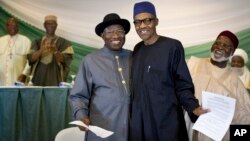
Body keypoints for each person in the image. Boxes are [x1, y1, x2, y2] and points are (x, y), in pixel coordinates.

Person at [129, 2, 207, 141]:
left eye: (147, 20)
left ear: (156, 21)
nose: (142, 26)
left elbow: (182, 83)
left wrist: (192, 106)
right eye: (137, 22)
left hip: (166, 121)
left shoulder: (172, 46)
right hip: (140, 122)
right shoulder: (137, 49)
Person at [69, 13, 131, 141]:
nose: (116, 36)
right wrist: (81, 115)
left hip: (133, 129)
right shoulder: (90, 61)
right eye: (110, 32)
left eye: (120, 31)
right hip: (103, 130)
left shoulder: (134, 57)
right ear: (102, 36)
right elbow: (78, 95)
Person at [185, 30, 250, 141]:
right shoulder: (193, 64)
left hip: (215, 135)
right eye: (218, 43)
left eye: (226, 45)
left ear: (232, 52)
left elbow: (245, 116)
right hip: (188, 126)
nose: (220, 47)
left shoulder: (235, 80)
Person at [27, 15, 74, 86]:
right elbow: (30, 59)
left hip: (55, 78)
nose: (50, 26)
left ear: (56, 25)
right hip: (38, 78)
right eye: (48, 24)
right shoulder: (37, 42)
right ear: (44, 25)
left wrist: (55, 51)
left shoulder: (65, 43)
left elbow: (66, 61)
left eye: (53, 23)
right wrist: (41, 50)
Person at [0, 17, 31, 86]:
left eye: (14, 25)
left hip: (18, 79)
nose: (11, 27)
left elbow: (30, 61)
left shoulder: (26, 41)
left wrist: (24, 74)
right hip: (1, 80)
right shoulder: (1, 40)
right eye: (9, 25)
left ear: (18, 27)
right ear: (6, 27)